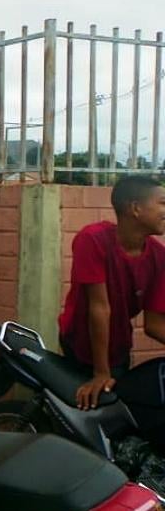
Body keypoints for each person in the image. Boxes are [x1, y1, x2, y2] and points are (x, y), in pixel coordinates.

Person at [58, 174, 165, 410]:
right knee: (88, 408)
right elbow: (99, 308)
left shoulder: (159, 257)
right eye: (162, 203)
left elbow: (154, 324)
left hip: (119, 347)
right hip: (81, 342)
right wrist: (100, 372)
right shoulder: (92, 239)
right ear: (135, 208)